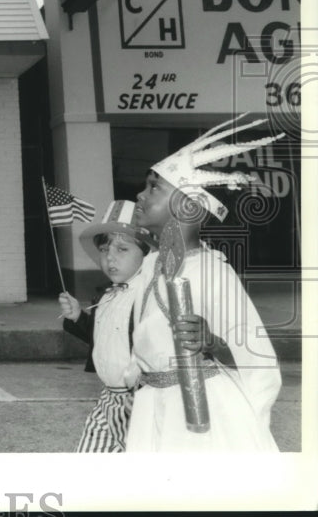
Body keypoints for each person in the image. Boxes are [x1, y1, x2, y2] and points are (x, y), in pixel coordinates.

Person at [127, 114, 283, 451]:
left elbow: (258, 360)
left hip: (202, 416)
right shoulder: (150, 264)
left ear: (185, 204)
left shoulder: (212, 270)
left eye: (154, 186)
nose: (140, 194)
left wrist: (212, 341)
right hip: (151, 408)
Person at [60, 200, 156, 452]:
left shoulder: (148, 296)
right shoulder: (107, 295)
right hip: (108, 397)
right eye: (104, 250)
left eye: (122, 249)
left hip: (137, 399)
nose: (110, 257)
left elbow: (159, 348)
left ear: (147, 255)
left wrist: (145, 390)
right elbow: (104, 337)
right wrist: (78, 317)